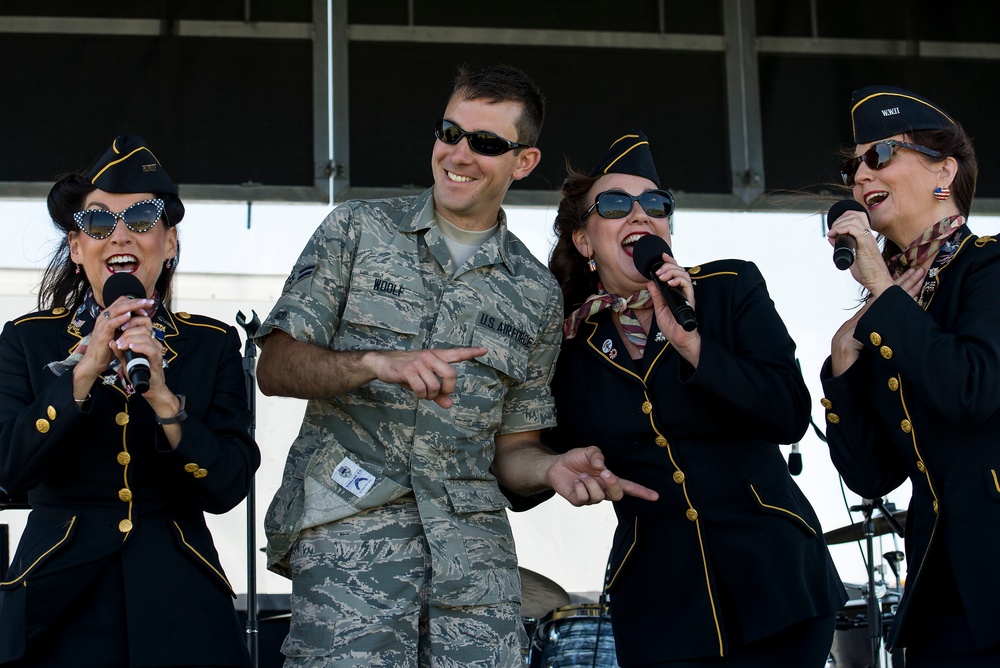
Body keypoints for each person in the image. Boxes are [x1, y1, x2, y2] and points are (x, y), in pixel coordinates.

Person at [254, 64, 651, 667]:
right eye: (449, 132)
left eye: (486, 143)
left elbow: (513, 448)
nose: (459, 154)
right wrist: (375, 362)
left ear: (523, 162)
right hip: (350, 536)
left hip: (474, 561)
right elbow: (276, 366)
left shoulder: (536, 293)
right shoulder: (357, 230)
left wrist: (551, 469)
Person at [544, 130, 847, 667]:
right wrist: (558, 467)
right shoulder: (567, 344)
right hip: (662, 606)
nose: (640, 214)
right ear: (584, 240)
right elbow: (533, 459)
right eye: (615, 204)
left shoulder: (729, 289)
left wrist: (693, 344)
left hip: (778, 587)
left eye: (655, 204)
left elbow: (788, 413)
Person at [0, 134, 260, 667]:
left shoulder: (209, 345)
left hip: (181, 601)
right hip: (54, 602)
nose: (120, 234)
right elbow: (8, 470)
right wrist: (83, 372)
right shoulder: (27, 340)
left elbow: (228, 485)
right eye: (98, 223)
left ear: (169, 245)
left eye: (142, 219)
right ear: (77, 249)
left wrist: (165, 398)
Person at [821, 85, 1000, 666]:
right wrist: (842, 365)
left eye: (880, 155)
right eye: (855, 165)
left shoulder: (988, 268)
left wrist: (880, 291)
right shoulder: (891, 308)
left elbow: (971, 389)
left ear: (944, 170)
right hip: (938, 596)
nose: (861, 175)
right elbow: (873, 474)